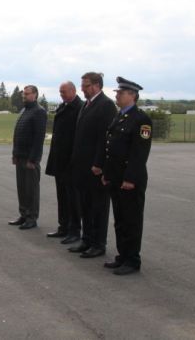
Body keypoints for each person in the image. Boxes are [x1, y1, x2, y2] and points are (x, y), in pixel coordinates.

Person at [101, 77, 152, 275]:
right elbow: (110, 149)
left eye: (120, 93)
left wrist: (130, 179)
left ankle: (132, 260)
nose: (117, 95)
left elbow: (139, 154)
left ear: (132, 95)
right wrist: (107, 172)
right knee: (120, 219)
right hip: (115, 177)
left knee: (132, 220)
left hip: (130, 180)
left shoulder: (141, 120)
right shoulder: (119, 117)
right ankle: (122, 256)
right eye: (117, 92)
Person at [68, 72, 117, 258]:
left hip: (95, 168)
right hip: (81, 167)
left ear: (97, 85)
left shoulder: (105, 105)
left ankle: (98, 243)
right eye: (82, 85)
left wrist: (99, 163)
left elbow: (104, 138)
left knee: (98, 207)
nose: (82, 88)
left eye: (86, 85)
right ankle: (87, 239)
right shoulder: (87, 105)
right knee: (86, 206)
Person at [45, 81, 83, 243]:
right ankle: (63, 227)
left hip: (71, 162)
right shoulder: (63, 107)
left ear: (73, 91)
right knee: (62, 196)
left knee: (73, 199)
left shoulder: (80, 108)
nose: (62, 95)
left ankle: (74, 230)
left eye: (64, 92)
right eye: (60, 93)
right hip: (59, 160)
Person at [9, 85, 48, 230]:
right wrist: (14, 154)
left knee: (31, 189)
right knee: (22, 188)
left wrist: (33, 159)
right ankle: (24, 214)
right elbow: (17, 134)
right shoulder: (24, 110)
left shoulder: (39, 112)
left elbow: (39, 138)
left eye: (27, 94)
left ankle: (32, 217)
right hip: (20, 156)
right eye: (23, 94)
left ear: (35, 95)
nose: (24, 96)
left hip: (30, 159)